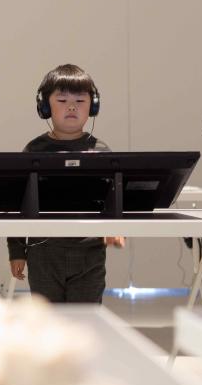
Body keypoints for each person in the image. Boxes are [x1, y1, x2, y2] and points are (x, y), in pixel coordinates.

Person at [7, 65, 124, 303]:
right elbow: (16, 203)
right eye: (62, 100)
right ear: (45, 106)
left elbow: (113, 198)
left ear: (93, 106)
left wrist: (115, 227)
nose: (72, 106)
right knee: (48, 326)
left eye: (80, 100)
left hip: (90, 253)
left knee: (86, 324)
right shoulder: (33, 151)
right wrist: (16, 251)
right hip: (43, 253)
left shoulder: (101, 152)